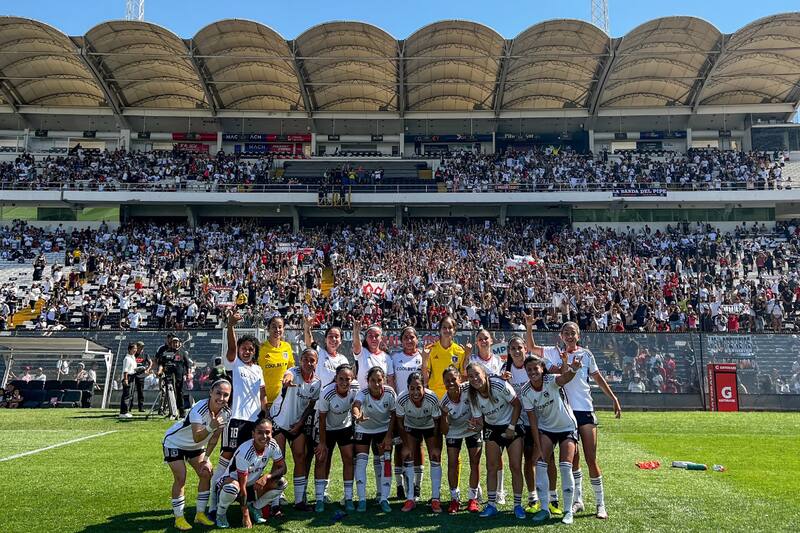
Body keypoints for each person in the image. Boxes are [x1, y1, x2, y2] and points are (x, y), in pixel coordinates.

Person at [527, 321, 619, 519]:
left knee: (590, 459)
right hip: (564, 414)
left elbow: (598, 377)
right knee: (572, 460)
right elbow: (531, 348)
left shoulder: (586, 354)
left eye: (573, 333)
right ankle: (578, 500)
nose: (569, 336)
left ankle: (600, 504)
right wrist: (529, 326)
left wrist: (613, 398)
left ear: (578, 336)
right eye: (566, 333)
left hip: (584, 411)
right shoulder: (554, 353)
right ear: (561, 336)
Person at [209, 311, 266, 519]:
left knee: (249, 464)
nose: (246, 352)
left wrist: (265, 416)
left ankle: (249, 504)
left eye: (250, 349)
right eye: (244, 348)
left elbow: (262, 396)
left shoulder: (258, 370)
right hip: (236, 420)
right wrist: (231, 325)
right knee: (226, 459)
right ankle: (214, 504)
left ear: (255, 352)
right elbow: (231, 347)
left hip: (254, 422)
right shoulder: (235, 364)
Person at [162, 379, 231, 531]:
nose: (221, 397)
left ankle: (200, 514)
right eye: (218, 393)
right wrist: (211, 426)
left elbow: (214, 438)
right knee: (181, 477)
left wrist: (206, 459)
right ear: (210, 393)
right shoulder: (198, 409)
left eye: (226, 395)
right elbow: (197, 436)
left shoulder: (226, 413)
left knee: (206, 473)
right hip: (175, 443)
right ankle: (179, 518)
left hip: (196, 447)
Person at [521, 355, 582, 526]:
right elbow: (533, 421)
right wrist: (539, 446)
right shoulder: (526, 391)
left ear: (542, 368)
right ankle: (544, 509)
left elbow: (566, 377)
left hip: (567, 428)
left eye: (536, 368)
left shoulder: (551, 380)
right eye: (529, 370)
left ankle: (568, 510)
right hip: (547, 429)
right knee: (540, 463)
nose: (533, 372)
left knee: (565, 466)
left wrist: (574, 368)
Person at [466, 362, 525, 519]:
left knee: (515, 466)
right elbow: (480, 423)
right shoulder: (472, 395)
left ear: (484, 374)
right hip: (492, 428)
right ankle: (491, 505)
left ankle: (518, 506)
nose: (474, 379)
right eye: (471, 376)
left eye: (477, 374)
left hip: (512, 425)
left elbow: (517, 404)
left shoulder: (498, 384)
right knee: (491, 467)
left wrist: (512, 426)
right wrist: (475, 427)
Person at [270, 348, 321, 512]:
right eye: (305, 359)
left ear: (316, 363)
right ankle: (274, 503)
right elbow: (288, 376)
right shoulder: (293, 371)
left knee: (300, 457)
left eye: (312, 360)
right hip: (280, 422)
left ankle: (299, 501)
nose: (308, 363)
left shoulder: (317, 383)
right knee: (279, 461)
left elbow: (311, 405)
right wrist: (286, 380)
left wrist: (300, 424)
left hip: (297, 424)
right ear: (300, 361)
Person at [214, 417, 288, 529]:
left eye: (267, 432)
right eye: (260, 433)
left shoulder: (272, 444)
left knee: (281, 483)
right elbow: (242, 485)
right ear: (253, 434)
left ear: (272, 433)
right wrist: (245, 515)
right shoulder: (245, 452)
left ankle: (255, 507)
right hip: (232, 483)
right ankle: (220, 514)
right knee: (232, 488)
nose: (264, 436)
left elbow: (283, 468)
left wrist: (268, 477)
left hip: (250, 485)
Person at [353, 319, 395, 499]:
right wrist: (356, 330)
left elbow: (391, 382)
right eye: (370, 335)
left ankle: (381, 495)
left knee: (382, 459)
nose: (373, 338)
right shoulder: (361, 353)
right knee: (360, 459)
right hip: (364, 410)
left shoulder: (387, 358)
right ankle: (359, 497)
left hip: (383, 413)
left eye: (376, 335)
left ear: (381, 337)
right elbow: (355, 345)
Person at [314, 363, 359, 513]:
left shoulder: (355, 388)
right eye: (341, 379)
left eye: (348, 379)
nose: (345, 382)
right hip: (326, 428)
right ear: (335, 378)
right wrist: (321, 442)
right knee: (322, 459)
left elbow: (359, 404)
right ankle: (319, 499)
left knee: (348, 459)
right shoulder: (327, 393)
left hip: (344, 427)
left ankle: (348, 498)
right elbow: (321, 418)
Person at [352, 366, 397, 513]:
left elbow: (394, 415)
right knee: (361, 462)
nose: (376, 384)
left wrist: (389, 436)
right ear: (367, 381)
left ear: (384, 380)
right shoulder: (363, 393)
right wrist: (357, 415)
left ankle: (384, 498)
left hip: (383, 430)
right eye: (373, 380)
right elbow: (356, 405)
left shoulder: (390, 392)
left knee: (386, 463)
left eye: (379, 380)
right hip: (364, 429)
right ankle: (362, 500)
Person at [397, 372, 442, 513]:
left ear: (424, 387)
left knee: (435, 457)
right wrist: (405, 445)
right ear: (408, 388)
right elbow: (399, 422)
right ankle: (410, 498)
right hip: (411, 426)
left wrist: (436, 446)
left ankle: (435, 499)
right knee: (408, 456)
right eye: (412, 388)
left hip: (430, 427)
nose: (415, 392)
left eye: (419, 388)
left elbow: (437, 423)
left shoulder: (432, 398)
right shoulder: (401, 399)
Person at [440, 365, 482, 513]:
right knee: (452, 463)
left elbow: (482, 383)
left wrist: (477, 422)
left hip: (472, 428)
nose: (451, 383)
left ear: (460, 379)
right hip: (454, 431)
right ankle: (454, 499)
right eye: (447, 381)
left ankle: (473, 498)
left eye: (453, 379)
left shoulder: (468, 388)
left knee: (474, 462)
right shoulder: (443, 402)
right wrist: (444, 415)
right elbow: (444, 431)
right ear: (443, 383)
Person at [389, 326, 424, 500]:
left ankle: (417, 485)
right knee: (399, 448)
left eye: (412, 337)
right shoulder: (395, 358)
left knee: (417, 448)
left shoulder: (422, 358)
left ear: (417, 339)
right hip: (400, 410)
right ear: (401, 340)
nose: (409, 340)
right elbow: (391, 381)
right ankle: (399, 485)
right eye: (406, 338)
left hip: (419, 410)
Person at [423, 316, 470, 399]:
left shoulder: (460, 351)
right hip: (435, 395)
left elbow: (463, 376)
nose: (447, 330)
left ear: (454, 331)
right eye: (444, 327)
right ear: (440, 330)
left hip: (453, 396)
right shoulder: (431, 349)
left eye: (450, 327)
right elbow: (426, 374)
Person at [259, 314, 293, 409]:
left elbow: (291, 368)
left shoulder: (287, 347)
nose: (277, 330)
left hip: (283, 400)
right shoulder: (261, 348)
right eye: (274, 327)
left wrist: (290, 375)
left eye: (280, 327)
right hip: (264, 401)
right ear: (268, 329)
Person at [156, 335, 192, 418]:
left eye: (177, 342)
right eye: (174, 342)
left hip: (179, 377)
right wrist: (159, 371)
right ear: (171, 343)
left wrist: (188, 373)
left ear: (179, 343)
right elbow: (161, 363)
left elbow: (188, 364)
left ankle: (181, 412)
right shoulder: (166, 352)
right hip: (168, 377)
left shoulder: (183, 352)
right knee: (169, 394)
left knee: (180, 393)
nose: (175, 344)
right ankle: (171, 411)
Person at [133, 341, 152, 412]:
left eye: (142, 347)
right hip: (133, 375)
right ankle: (129, 407)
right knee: (131, 392)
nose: (141, 348)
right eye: (140, 346)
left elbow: (150, 362)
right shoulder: (133, 354)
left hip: (141, 376)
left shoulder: (145, 354)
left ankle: (140, 407)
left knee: (140, 392)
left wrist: (148, 369)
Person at [119, 343, 137, 419]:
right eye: (134, 349)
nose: (135, 350)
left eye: (136, 349)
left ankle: (126, 411)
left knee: (129, 395)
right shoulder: (127, 358)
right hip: (128, 377)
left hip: (132, 377)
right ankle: (123, 412)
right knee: (126, 395)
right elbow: (125, 370)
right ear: (129, 349)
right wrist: (126, 379)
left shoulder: (133, 358)